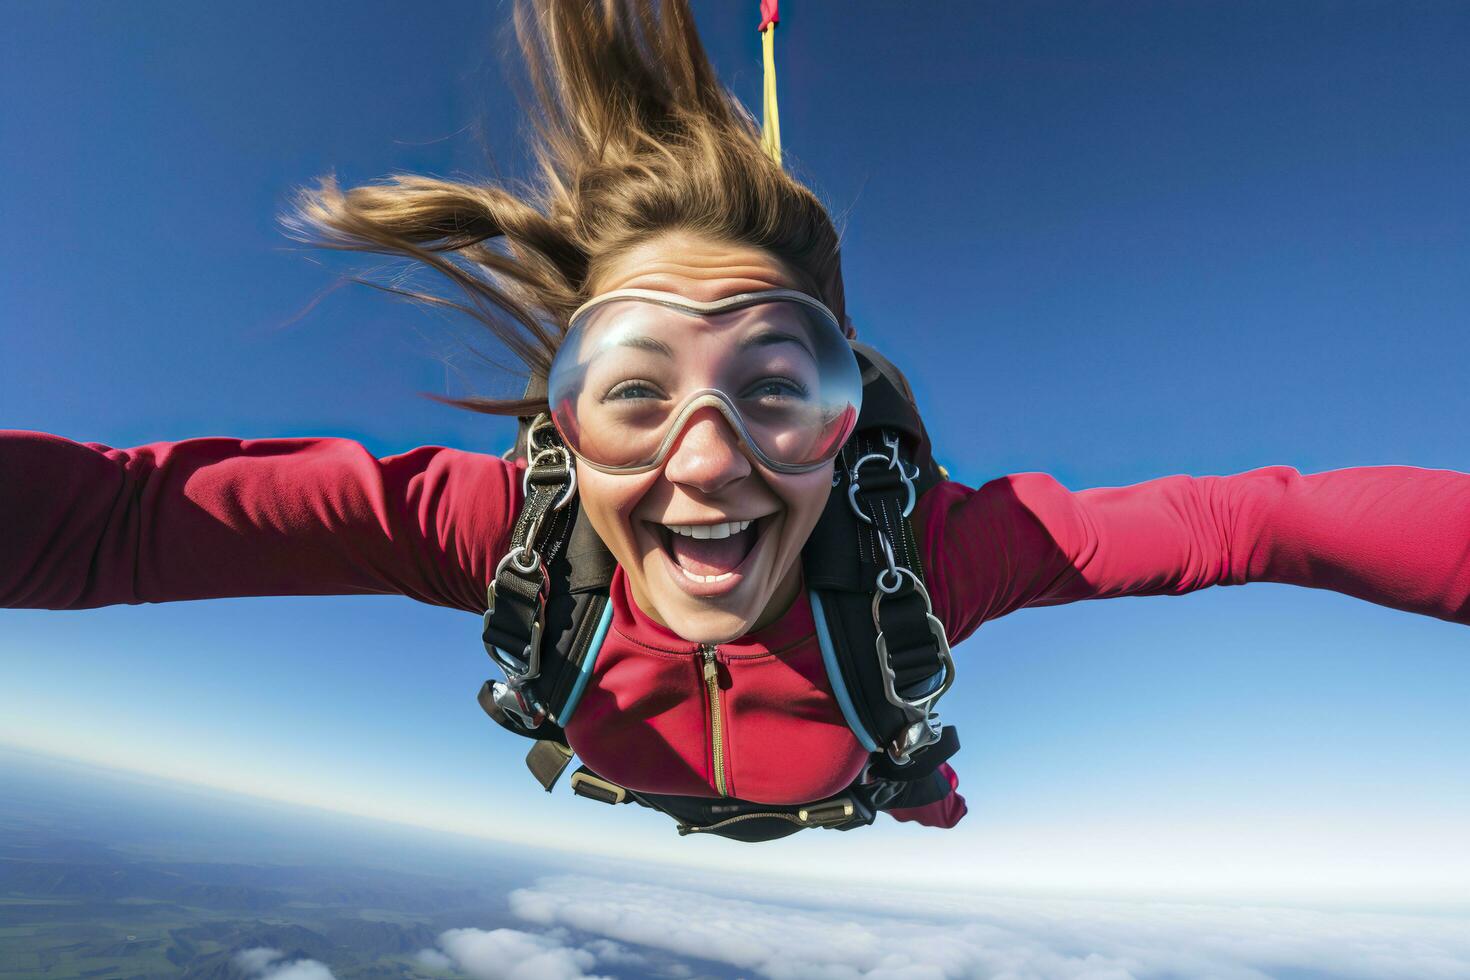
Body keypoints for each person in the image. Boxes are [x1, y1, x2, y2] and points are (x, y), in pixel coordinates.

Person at [3, 0, 1468, 836]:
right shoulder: (503, 530)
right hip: (756, 760)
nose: (707, 460)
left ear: (845, 410)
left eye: (778, 390)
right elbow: (122, 519)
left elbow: (1263, 520)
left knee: (902, 738)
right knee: (896, 732)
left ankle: (915, 783)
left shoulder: (941, 554)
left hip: (844, 761)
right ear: (564, 420)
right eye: (632, 393)